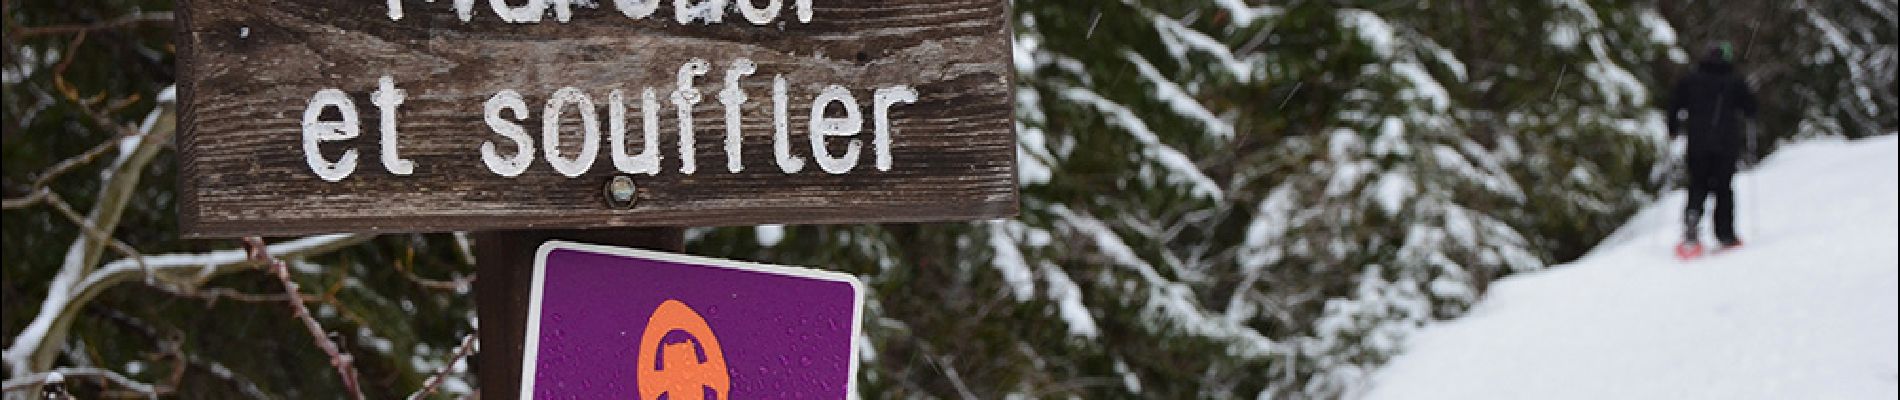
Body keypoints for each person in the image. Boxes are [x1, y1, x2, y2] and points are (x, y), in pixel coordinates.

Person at [1666, 42, 1758, 257]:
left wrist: (1673, 128)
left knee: (1698, 184)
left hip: (1698, 142)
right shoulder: (1735, 81)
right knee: (1724, 188)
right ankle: (1725, 234)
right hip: (1726, 143)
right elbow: (1751, 108)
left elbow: (1674, 105)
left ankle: (1691, 226)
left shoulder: (1691, 80)